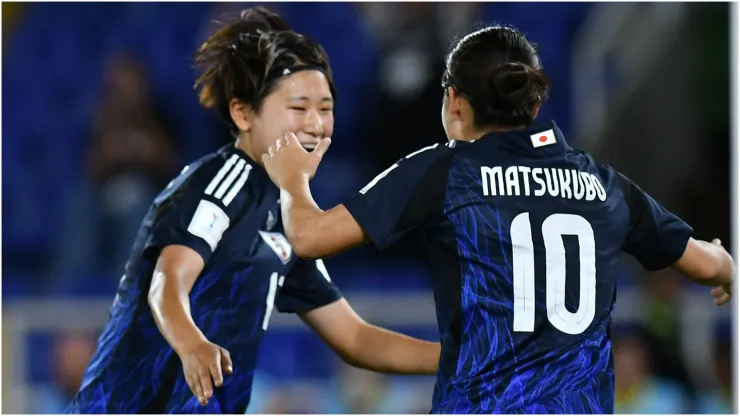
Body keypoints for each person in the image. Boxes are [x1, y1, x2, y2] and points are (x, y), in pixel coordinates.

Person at [261, 25, 736, 414]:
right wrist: (725, 270)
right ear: (534, 105)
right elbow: (705, 264)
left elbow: (308, 236)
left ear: (454, 102)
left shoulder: (445, 171)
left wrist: (291, 181)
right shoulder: (604, 183)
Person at [65, 7, 440, 414]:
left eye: (326, 108)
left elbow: (354, 338)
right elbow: (168, 283)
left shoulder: (287, 219)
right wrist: (193, 345)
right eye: (298, 109)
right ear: (243, 113)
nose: (315, 124)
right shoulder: (217, 186)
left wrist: (459, 357)